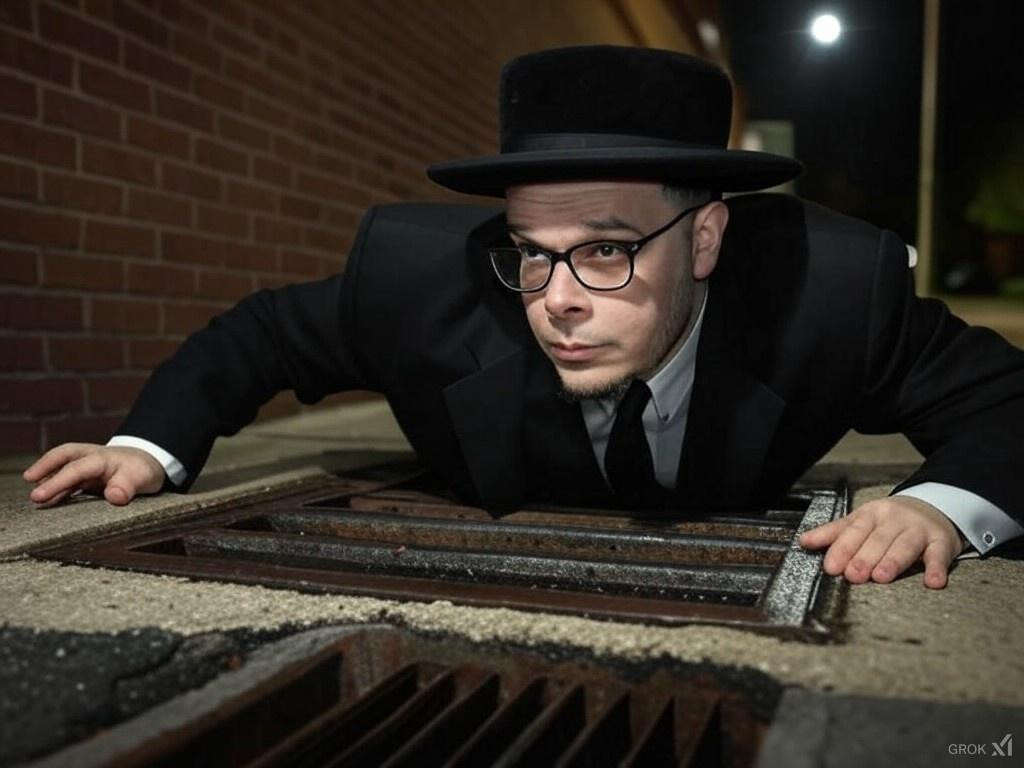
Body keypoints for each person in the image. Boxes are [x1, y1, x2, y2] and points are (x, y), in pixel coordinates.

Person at [23, 46, 1024, 590]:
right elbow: (264, 334)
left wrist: (941, 507)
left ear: (706, 240)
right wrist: (145, 447)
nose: (556, 298)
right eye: (532, 251)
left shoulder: (831, 295)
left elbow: (1007, 403)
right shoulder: (419, 285)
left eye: (607, 249)